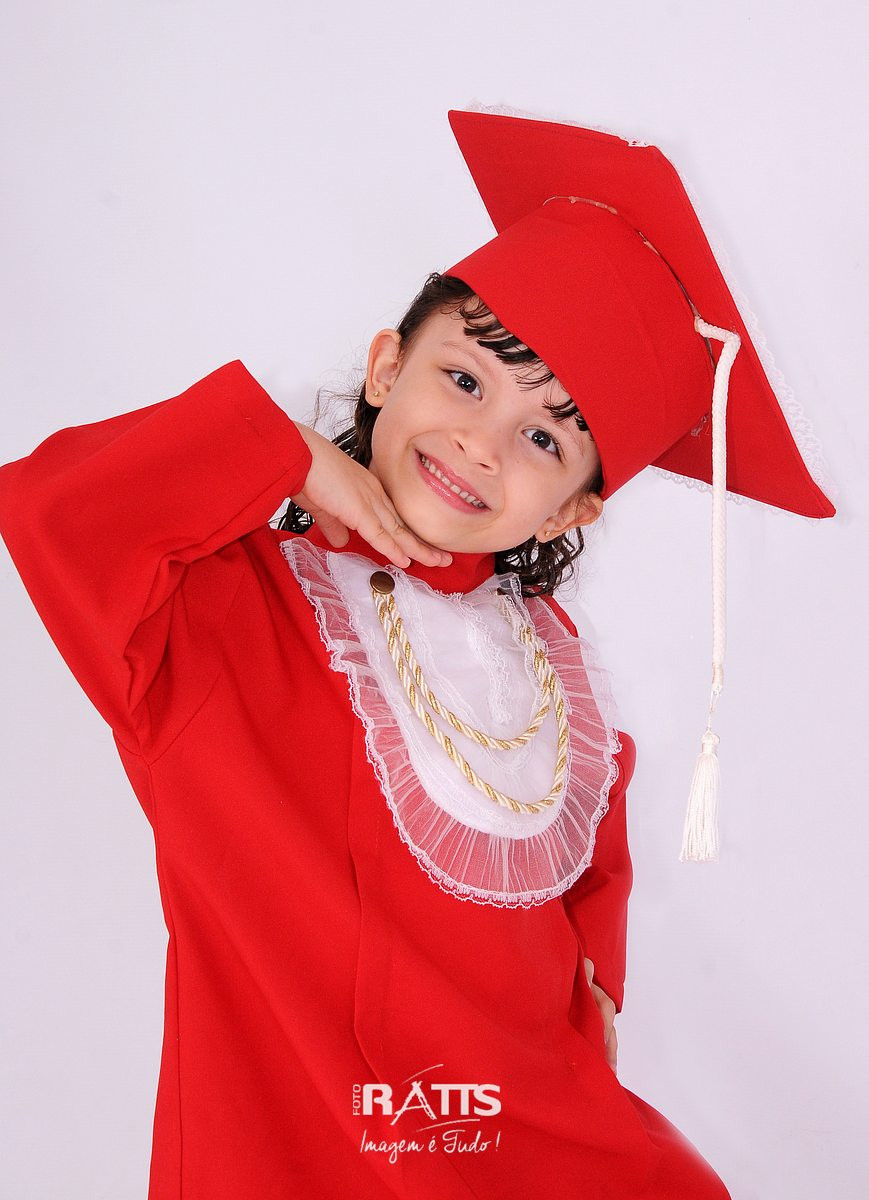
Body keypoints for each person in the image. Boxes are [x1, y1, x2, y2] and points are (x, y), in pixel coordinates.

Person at [0, 108, 835, 1199]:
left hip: (512, 1151)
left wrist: (595, 987)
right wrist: (288, 454)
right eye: (465, 379)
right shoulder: (220, 605)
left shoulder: (548, 670)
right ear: (385, 366)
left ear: (570, 510)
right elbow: (52, 509)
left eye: (544, 437)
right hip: (291, 1152)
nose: (479, 445)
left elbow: (586, 889)